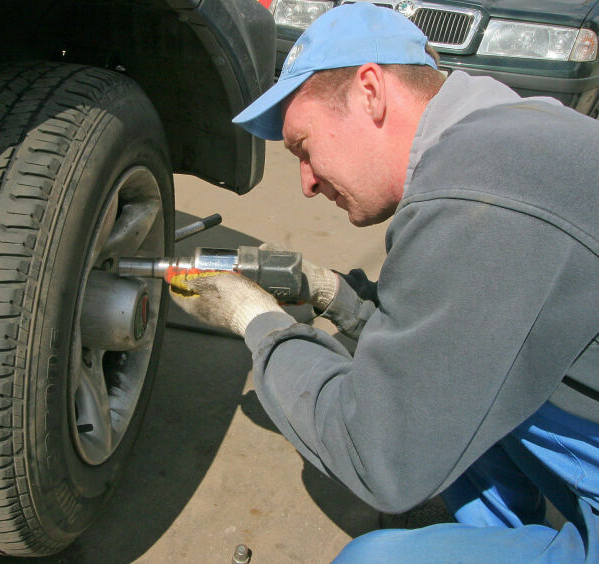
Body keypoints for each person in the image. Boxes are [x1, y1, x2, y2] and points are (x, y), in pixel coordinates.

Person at [166, 3, 599, 562]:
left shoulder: (475, 198)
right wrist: (335, 297)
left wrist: (259, 324)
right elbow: (447, 335)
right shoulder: (506, 137)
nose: (305, 182)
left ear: (370, 90)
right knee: (449, 385)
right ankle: (498, 536)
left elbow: (376, 455)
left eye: (303, 147)